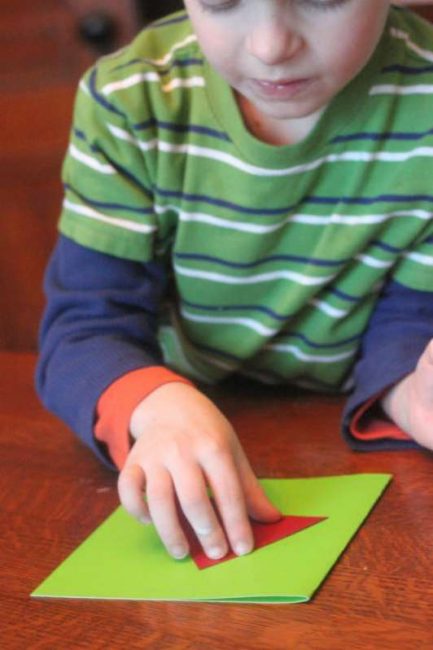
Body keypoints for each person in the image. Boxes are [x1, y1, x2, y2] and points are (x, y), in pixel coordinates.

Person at [37, 0, 433, 564]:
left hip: (350, 426)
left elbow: (411, 318)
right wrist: (157, 405)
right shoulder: (131, 100)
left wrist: (410, 392)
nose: (272, 46)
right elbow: (84, 327)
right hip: (189, 413)